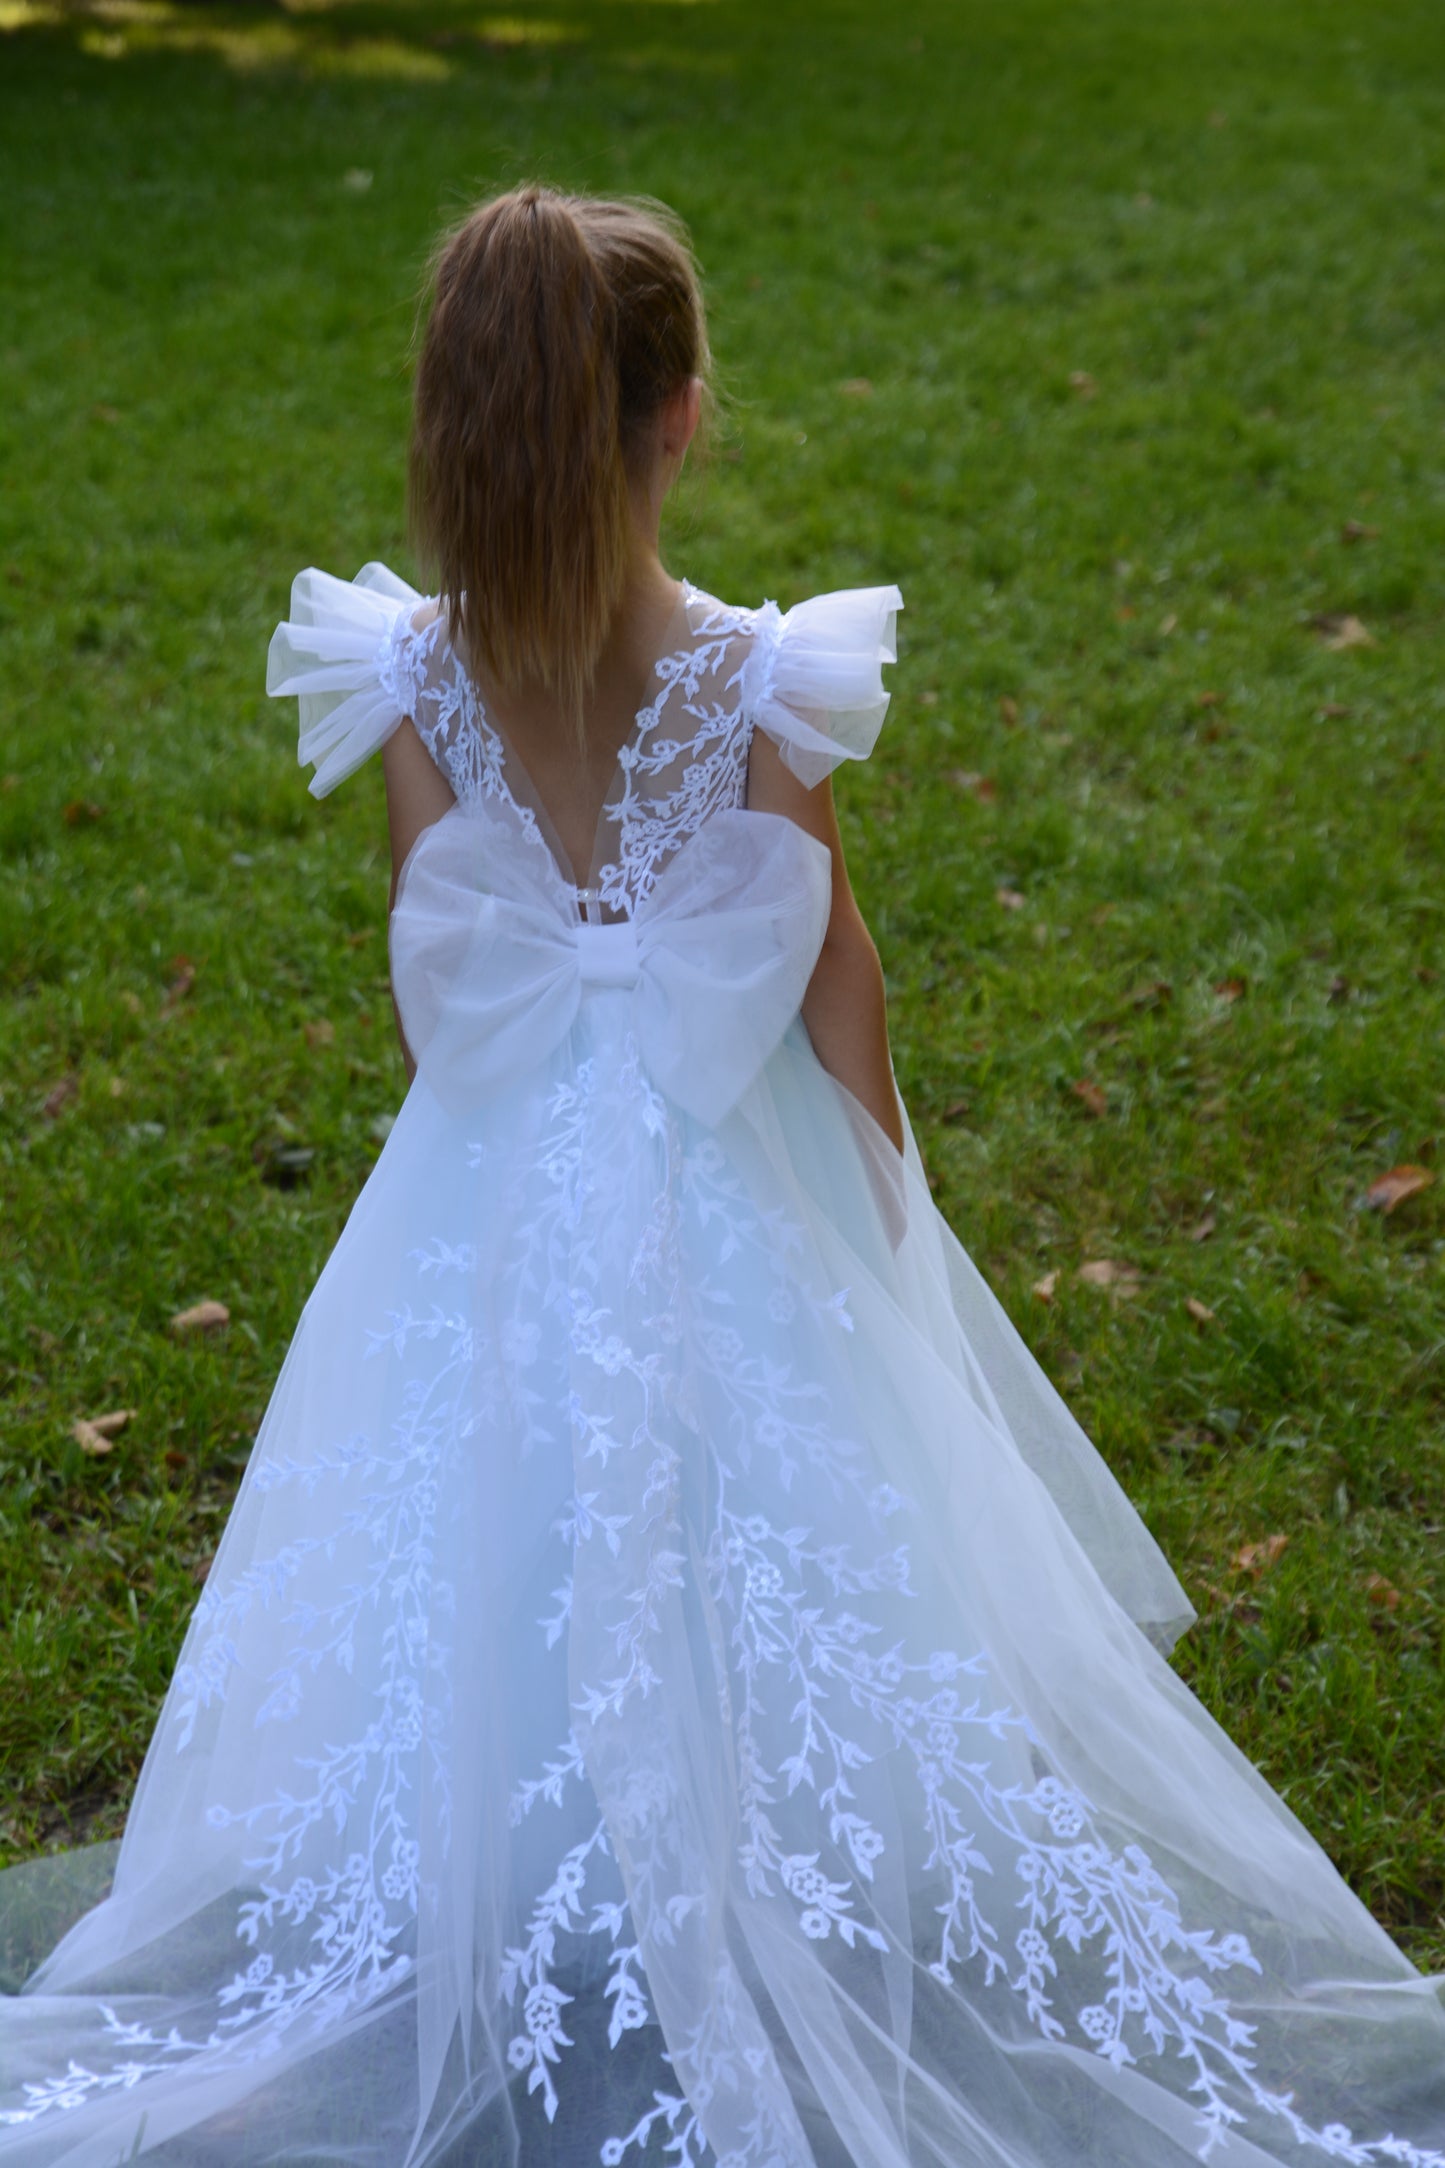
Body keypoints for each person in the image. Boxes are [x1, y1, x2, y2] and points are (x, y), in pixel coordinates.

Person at [0, 183, 1440, 2168]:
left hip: (491, 1182)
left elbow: (444, 987)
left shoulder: (409, 683)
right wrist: (886, 1225)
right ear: (680, 420)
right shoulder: (764, 677)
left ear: (453, 430)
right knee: (777, 1513)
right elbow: (836, 969)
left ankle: (538, 1852)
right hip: (725, 1167)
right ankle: (752, 1860)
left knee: (487, 1519)